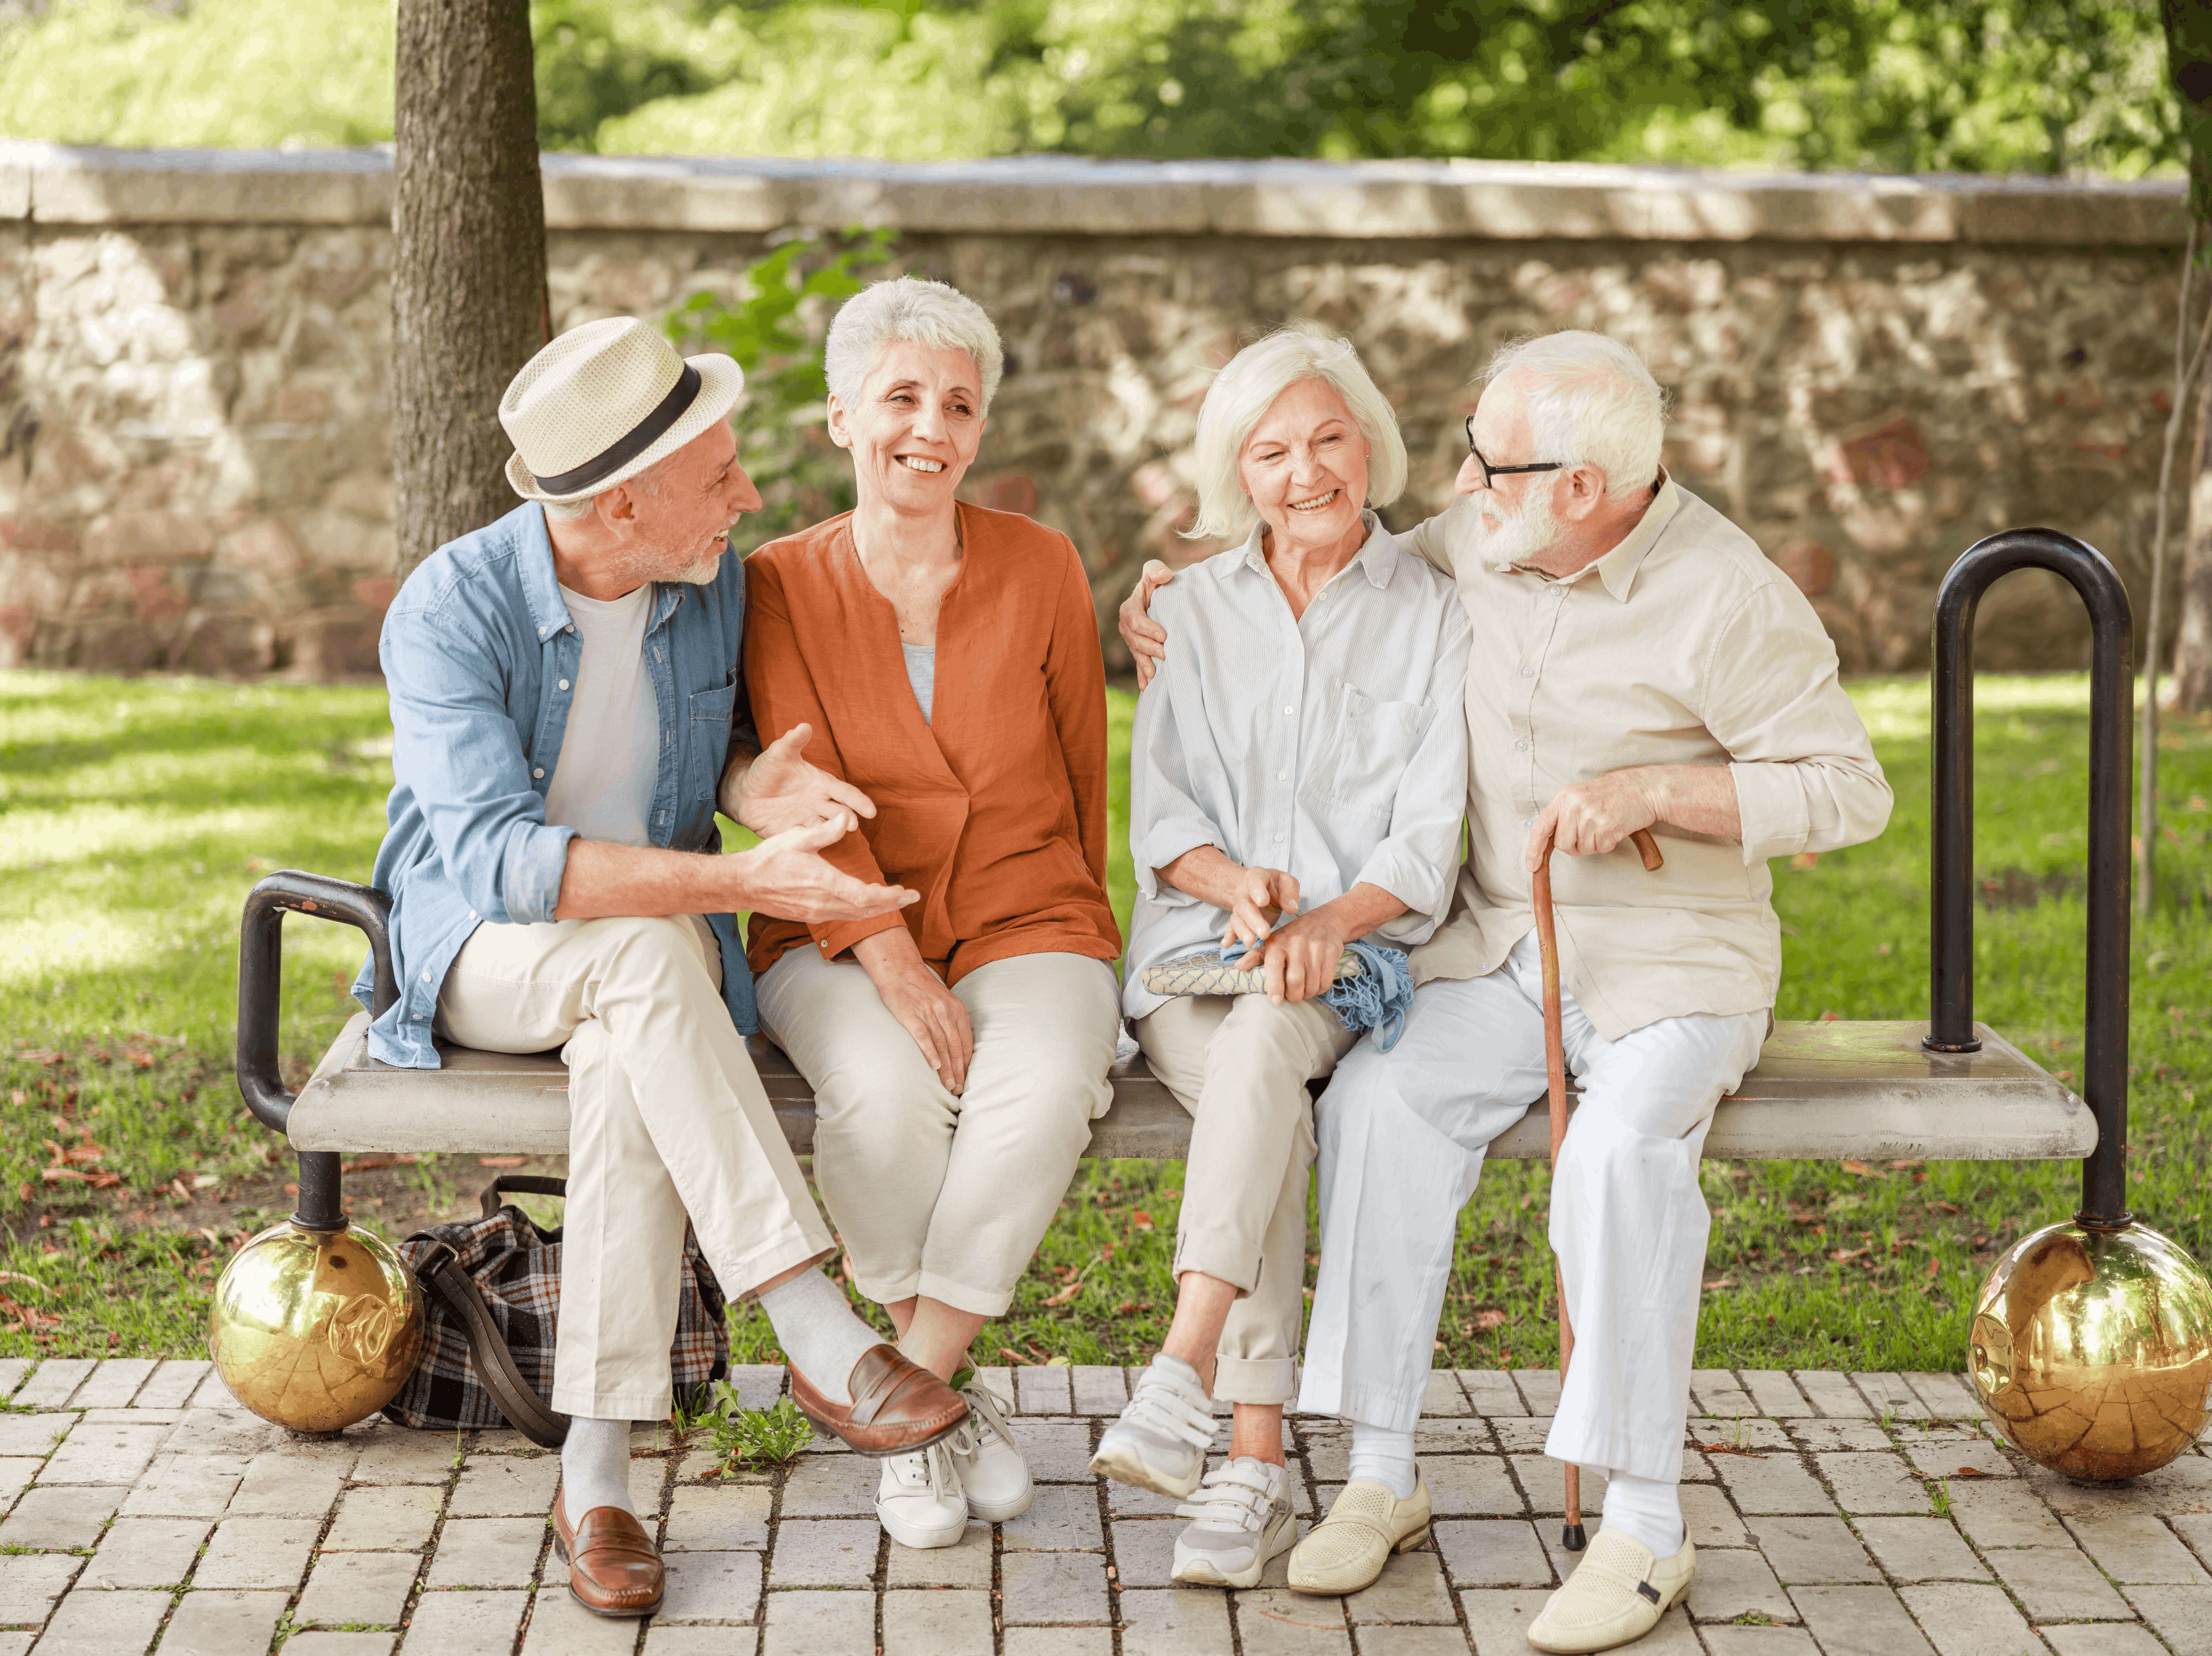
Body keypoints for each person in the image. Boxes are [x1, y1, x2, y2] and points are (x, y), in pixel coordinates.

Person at [1118, 330, 1892, 1652]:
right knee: (1379, 1102)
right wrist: (1165, 599)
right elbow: (1325, 553)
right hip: (1503, 951)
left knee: (1618, 1154)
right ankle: (1380, 1471)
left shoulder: (1728, 594)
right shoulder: (1480, 535)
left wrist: (1659, 792)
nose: (1465, 482)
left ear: (1580, 487)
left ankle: (1644, 1522)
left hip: (1675, 961)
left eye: (1491, 463)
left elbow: (1848, 789)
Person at [364, 316, 971, 1620]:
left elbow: (726, 745)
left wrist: (759, 789)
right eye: (719, 474)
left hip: (642, 982)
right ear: (624, 502)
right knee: (648, 954)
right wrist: (743, 884)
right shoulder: (452, 608)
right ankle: (813, 1324)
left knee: (628, 1051)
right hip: (486, 953)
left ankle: (596, 1480)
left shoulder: (705, 581)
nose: (746, 496)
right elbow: (501, 866)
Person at [743, 277, 1124, 1551]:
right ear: (841, 416)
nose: (931, 427)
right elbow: (802, 792)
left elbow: (1084, 772)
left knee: (1050, 1078)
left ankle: (912, 1391)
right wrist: (895, 962)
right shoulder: (779, 582)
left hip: (1029, 907)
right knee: (884, 1089)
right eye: (901, 397)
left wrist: (1076, 934)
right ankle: (945, 1413)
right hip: (836, 924)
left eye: (959, 405)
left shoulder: (1043, 564)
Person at [1087, 327, 1470, 1589]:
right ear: (1237, 474)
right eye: (1271, 452)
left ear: (1371, 445)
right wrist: (1232, 882)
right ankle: (1246, 1456)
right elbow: (1163, 814)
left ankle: (1190, 1375)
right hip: (1196, 960)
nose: (1306, 472)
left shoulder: (1434, 611)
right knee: (1267, 1106)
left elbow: (1428, 837)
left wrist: (1325, 921)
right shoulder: (1188, 610)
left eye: (1328, 439)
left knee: (1267, 1046)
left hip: (1342, 963)